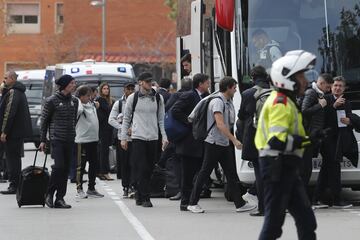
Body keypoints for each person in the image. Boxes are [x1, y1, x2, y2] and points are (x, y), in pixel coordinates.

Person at [255, 50, 317, 239]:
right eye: (300, 76)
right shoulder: (280, 103)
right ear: (286, 78)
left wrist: (309, 139)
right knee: (274, 224)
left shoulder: (287, 101)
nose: (305, 81)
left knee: (307, 221)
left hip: (286, 167)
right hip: (277, 168)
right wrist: (305, 141)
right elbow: (276, 141)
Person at [187, 77, 256, 213]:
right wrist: (234, 140)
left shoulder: (228, 102)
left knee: (230, 174)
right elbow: (220, 124)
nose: (236, 90)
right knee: (204, 172)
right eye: (234, 88)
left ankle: (239, 204)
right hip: (213, 143)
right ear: (228, 88)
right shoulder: (218, 102)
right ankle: (192, 202)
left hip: (222, 143)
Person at [120, 72, 168, 208]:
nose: (149, 84)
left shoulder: (158, 98)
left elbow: (161, 119)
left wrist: (164, 136)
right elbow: (126, 118)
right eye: (147, 82)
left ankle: (139, 194)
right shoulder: (132, 98)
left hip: (153, 137)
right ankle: (145, 196)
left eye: (151, 81)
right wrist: (123, 138)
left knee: (149, 168)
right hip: (138, 137)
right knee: (141, 167)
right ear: (140, 82)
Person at [313, 76, 358, 208]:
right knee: (334, 168)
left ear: (344, 89)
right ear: (331, 87)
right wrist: (334, 106)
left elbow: (348, 117)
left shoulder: (346, 102)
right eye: (335, 85)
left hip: (339, 139)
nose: (337, 88)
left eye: (340, 86)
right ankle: (337, 200)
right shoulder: (325, 99)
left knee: (327, 169)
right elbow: (320, 118)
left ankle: (317, 198)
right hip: (327, 139)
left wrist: (350, 121)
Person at [171, 73, 210, 211]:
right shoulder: (189, 95)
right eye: (207, 82)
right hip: (188, 142)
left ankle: (192, 201)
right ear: (200, 84)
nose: (209, 84)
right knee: (187, 174)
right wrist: (188, 121)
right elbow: (175, 110)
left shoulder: (206, 96)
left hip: (200, 141)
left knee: (198, 173)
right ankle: (185, 202)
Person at [236, 65, 271, 216]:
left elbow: (242, 115)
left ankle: (263, 208)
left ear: (252, 77)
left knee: (260, 174)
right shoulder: (276, 92)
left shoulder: (248, 93)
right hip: (275, 136)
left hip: (256, 138)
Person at [40, 74, 78, 208]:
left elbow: (75, 119)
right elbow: (44, 121)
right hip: (57, 139)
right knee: (59, 167)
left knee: (66, 169)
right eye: (72, 83)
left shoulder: (75, 101)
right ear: (65, 85)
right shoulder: (52, 100)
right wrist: (43, 140)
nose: (74, 85)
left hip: (70, 139)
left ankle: (60, 198)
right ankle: (49, 193)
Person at [301, 73, 333, 200]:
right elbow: (304, 111)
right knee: (305, 169)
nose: (329, 90)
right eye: (328, 87)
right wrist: (320, 105)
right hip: (308, 135)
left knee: (307, 169)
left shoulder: (318, 94)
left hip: (314, 135)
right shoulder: (311, 93)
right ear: (321, 83)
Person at [0, 71, 32, 194]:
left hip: (13, 132)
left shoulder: (14, 92)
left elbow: (9, 113)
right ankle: (15, 183)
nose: (4, 80)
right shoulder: (15, 91)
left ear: (13, 79)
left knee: (12, 158)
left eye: (6, 78)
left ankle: (14, 185)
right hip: (16, 132)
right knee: (14, 158)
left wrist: (4, 131)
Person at [75, 85, 104, 199]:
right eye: (87, 96)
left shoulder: (91, 104)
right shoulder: (78, 105)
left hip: (93, 139)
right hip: (82, 139)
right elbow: (79, 110)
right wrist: (78, 101)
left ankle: (91, 188)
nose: (89, 97)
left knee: (94, 164)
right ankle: (79, 188)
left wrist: (93, 103)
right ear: (81, 96)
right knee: (80, 166)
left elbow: (95, 104)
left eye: (90, 95)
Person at [108, 83, 135, 198]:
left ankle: (133, 186)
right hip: (123, 138)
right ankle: (125, 186)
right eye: (128, 89)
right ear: (124, 90)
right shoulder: (119, 104)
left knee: (134, 163)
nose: (130, 91)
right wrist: (123, 127)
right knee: (124, 164)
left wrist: (133, 129)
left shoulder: (137, 100)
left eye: (132, 89)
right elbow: (111, 119)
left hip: (136, 137)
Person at [96, 83, 114, 181]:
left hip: (107, 129)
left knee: (103, 151)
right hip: (103, 129)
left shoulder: (108, 100)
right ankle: (104, 172)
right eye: (104, 88)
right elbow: (108, 111)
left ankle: (100, 171)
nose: (106, 90)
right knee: (104, 152)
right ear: (101, 90)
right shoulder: (101, 100)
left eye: (107, 88)